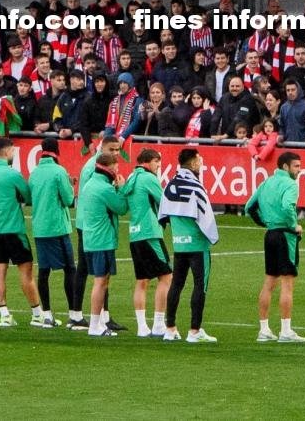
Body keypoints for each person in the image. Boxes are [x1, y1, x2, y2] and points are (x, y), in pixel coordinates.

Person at [160, 147, 220, 343]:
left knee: (176, 285)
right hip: (197, 245)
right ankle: (194, 331)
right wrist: (212, 237)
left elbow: (163, 215)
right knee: (199, 286)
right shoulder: (196, 187)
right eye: (199, 160)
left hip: (179, 245)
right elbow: (205, 217)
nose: (201, 163)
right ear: (193, 163)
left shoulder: (170, 185)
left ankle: (170, 328)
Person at [0, 136, 44, 327]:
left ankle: (4, 314)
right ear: (8, 151)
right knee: (26, 270)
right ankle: (37, 314)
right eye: (14, 151)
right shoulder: (13, 174)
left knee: (0, 270)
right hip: (14, 229)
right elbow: (28, 196)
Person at [246, 151, 305, 343]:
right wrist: (293, 225)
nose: (299, 170)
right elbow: (289, 207)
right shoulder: (290, 184)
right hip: (285, 236)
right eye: (296, 166)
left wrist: (265, 222)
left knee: (269, 282)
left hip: (270, 234)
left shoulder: (267, 182)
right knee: (288, 282)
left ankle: (264, 329)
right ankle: (286, 331)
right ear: (286, 167)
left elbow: (249, 207)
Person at [77, 151, 129, 337]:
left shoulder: (90, 184)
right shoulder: (104, 188)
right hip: (102, 240)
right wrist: (121, 188)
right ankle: (94, 325)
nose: (117, 170)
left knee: (102, 281)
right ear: (108, 168)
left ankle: (97, 324)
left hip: (91, 238)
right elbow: (122, 208)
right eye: (115, 167)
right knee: (100, 282)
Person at [121, 147, 172, 338]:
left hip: (135, 234)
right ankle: (159, 324)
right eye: (156, 161)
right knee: (166, 277)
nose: (159, 165)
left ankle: (142, 327)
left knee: (142, 281)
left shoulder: (132, 178)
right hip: (150, 233)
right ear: (147, 162)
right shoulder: (149, 179)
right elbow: (164, 201)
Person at [28, 137, 78, 328]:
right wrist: (71, 185)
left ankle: (47, 314)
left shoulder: (34, 173)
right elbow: (67, 199)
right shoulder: (59, 171)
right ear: (57, 151)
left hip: (40, 227)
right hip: (57, 227)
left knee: (43, 271)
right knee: (69, 269)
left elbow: (30, 197)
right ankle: (74, 313)